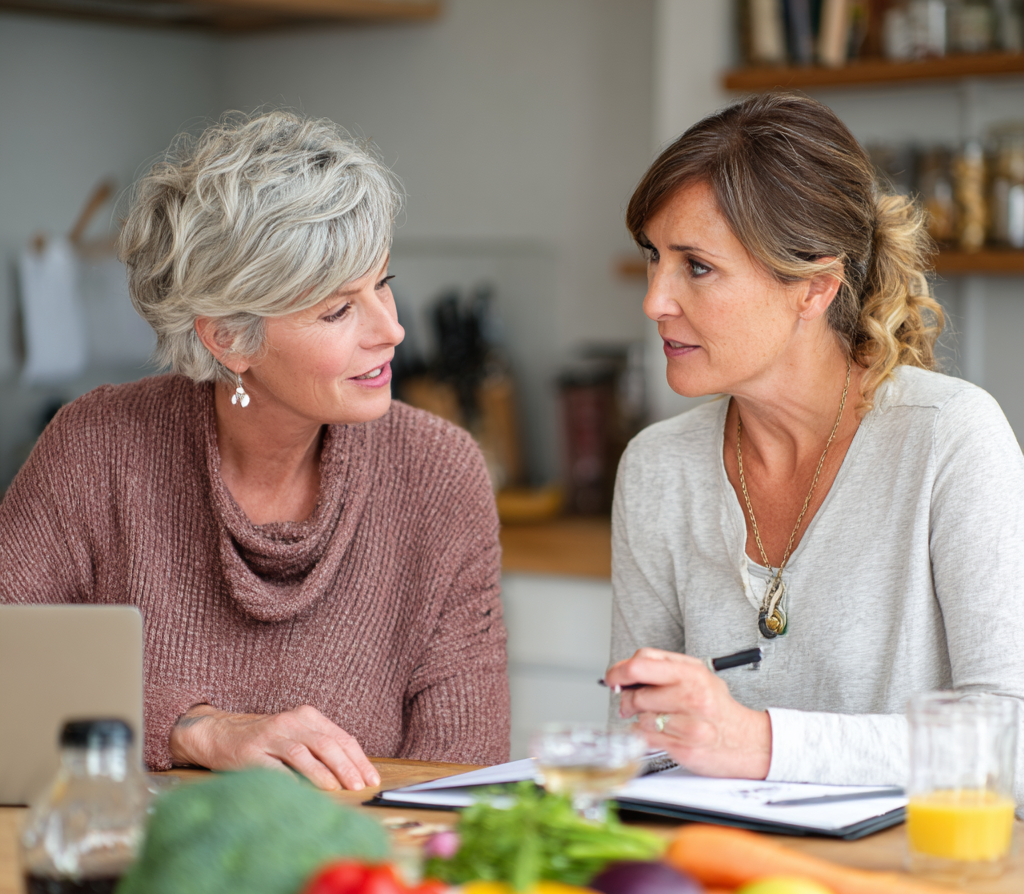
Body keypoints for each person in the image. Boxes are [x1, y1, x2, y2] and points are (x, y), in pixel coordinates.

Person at [0, 111, 509, 788]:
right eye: (338, 309)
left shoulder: (439, 472)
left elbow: (463, 783)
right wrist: (196, 729)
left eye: (382, 284)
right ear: (229, 338)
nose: (392, 330)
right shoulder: (98, 448)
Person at [605, 92, 1024, 796]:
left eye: (696, 266)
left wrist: (759, 742)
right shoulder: (657, 468)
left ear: (813, 288)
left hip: (914, 861)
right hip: (713, 859)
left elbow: (1012, 739)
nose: (654, 301)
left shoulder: (950, 439)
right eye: (654, 256)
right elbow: (636, 742)